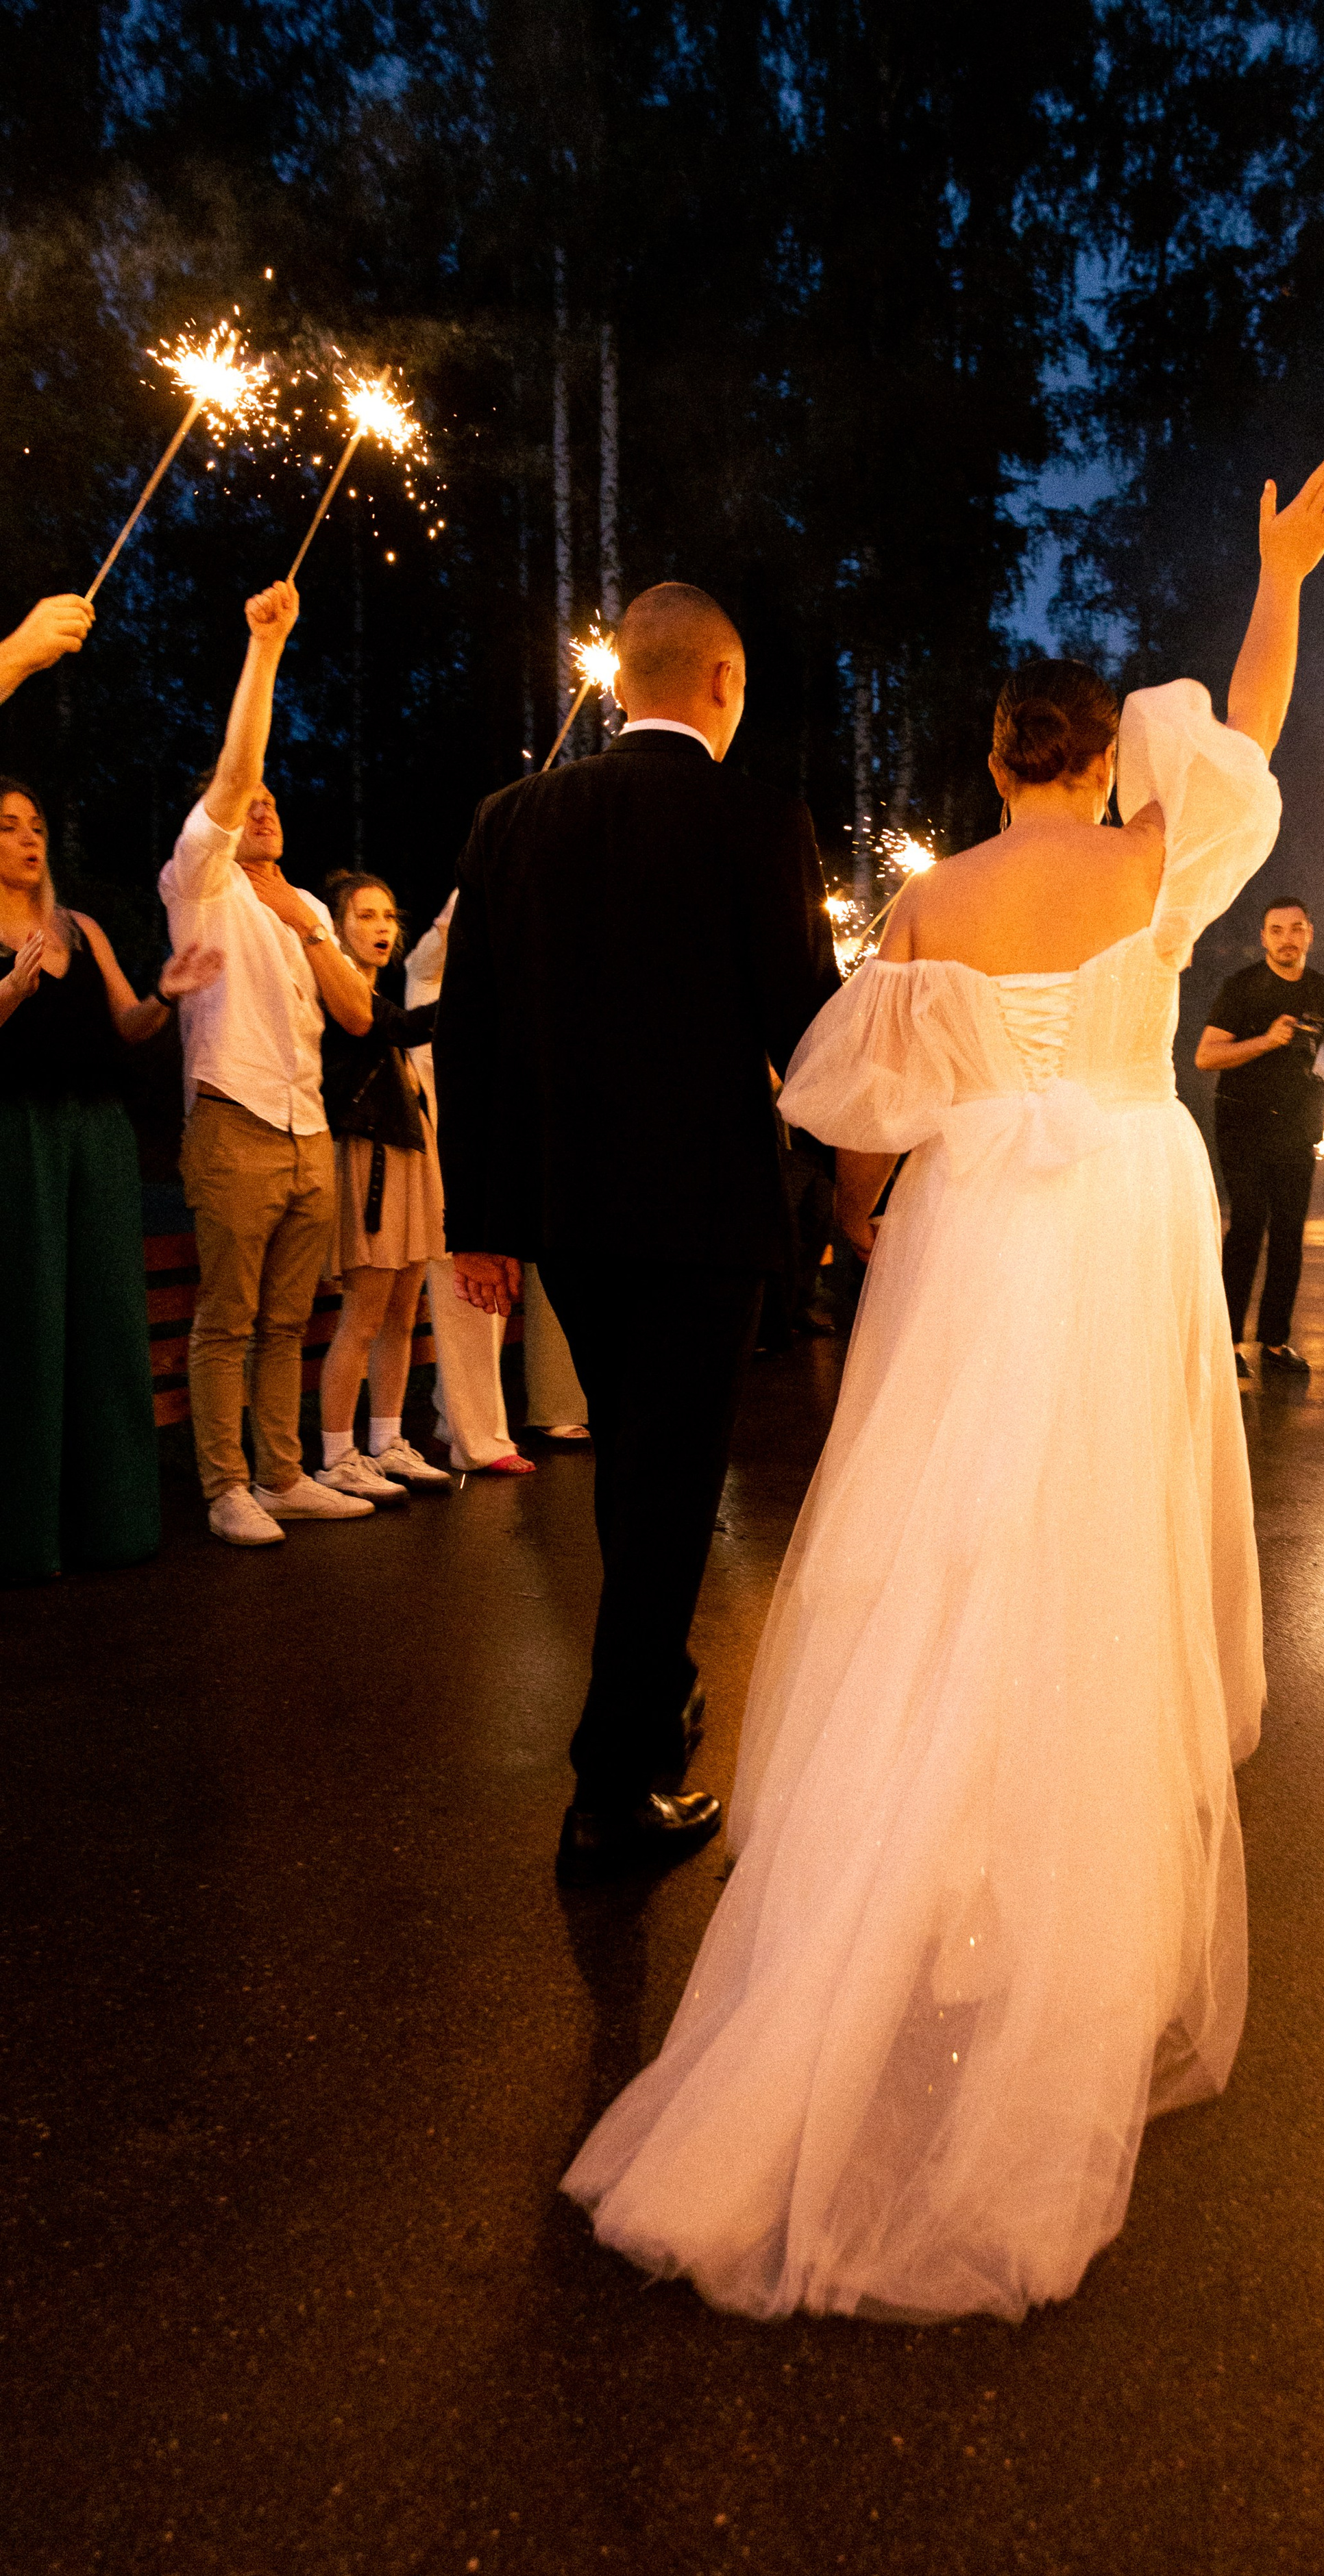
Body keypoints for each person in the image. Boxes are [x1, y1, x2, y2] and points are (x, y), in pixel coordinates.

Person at [562, 453, 1324, 2322]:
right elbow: (1247, 731)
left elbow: (858, 1130)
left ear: (1001, 764)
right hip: (1123, 1217)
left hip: (981, 1225)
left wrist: (866, 1239)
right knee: (1101, 1543)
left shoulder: (929, 913)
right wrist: (1278, 578)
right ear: (1096, 760)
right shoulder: (1152, 867)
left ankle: (902, 1885)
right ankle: (1058, 1903)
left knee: (941, 1548)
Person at [436, 580, 841, 1874]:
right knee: (667, 1491)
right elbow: (807, 1028)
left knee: (640, 1475)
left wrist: (480, 1222)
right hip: (700, 1215)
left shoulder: (511, 821)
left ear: (622, 683)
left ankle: (656, 1692)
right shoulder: (754, 817)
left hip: (563, 1215)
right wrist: (854, 1176)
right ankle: (608, 1798)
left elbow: (471, 1034)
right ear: (723, 685)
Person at [160, 580, 380, 1548]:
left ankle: (285, 1474)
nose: (261, 809)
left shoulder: (307, 911)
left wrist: (311, 925)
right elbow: (238, 766)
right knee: (228, 1318)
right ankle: (225, 1484)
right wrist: (267, 650)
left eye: (272, 804)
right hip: (234, 1119)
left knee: (289, 1319)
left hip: (307, 1130)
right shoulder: (199, 882)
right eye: (249, 804)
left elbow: (358, 1016)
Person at [0, 778, 220, 1582]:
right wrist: (11, 993)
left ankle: (113, 1522)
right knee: (26, 1326)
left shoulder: (81, 929)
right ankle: (24, 1534)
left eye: (36, 825)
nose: (27, 839)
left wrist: (166, 991)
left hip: (98, 1139)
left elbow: (128, 1025)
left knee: (103, 1323)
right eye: (7, 827)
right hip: (17, 1135)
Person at [404, 891, 582, 1474]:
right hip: (437, 1166)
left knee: (483, 1305)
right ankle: (481, 1442)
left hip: (475, 1169)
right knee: (471, 1306)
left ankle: (450, 1423)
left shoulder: (493, 1000)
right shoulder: (429, 987)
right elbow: (433, 948)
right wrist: (480, 888)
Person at [313, 872, 453, 1501]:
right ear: (338, 928)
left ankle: (385, 1441)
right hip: (369, 1155)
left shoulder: (377, 999)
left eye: (389, 916)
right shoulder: (340, 995)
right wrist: (478, 989)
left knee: (403, 1310)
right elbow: (400, 1027)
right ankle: (337, 1454)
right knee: (364, 1314)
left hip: (407, 1153)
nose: (381, 928)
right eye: (366, 916)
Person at [1196, 895, 1324, 1376]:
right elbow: (1206, 1056)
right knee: (1249, 1223)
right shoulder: (1243, 987)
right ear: (1263, 938)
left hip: (1295, 1121)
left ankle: (1274, 1343)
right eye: (1277, 930)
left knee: (1290, 1231)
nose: (1287, 939)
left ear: (1310, 934)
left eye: (1296, 929)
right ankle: (1227, 1344)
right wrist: (1266, 1041)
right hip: (1242, 1119)